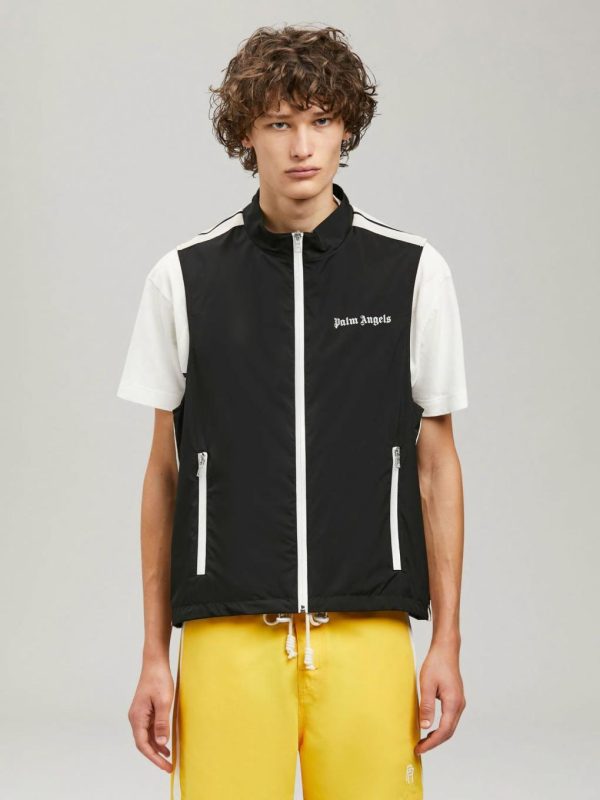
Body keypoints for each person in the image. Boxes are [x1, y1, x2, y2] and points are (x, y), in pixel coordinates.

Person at [117, 24, 468, 800]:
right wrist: (152, 654)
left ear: (347, 127)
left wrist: (446, 640)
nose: (302, 146)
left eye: (320, 120)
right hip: (226, 637)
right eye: (279, 122)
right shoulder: (184, 278)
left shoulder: (411, 273)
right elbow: (165, 473)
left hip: (368, 633)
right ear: (247, 134)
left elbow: (436, 466)